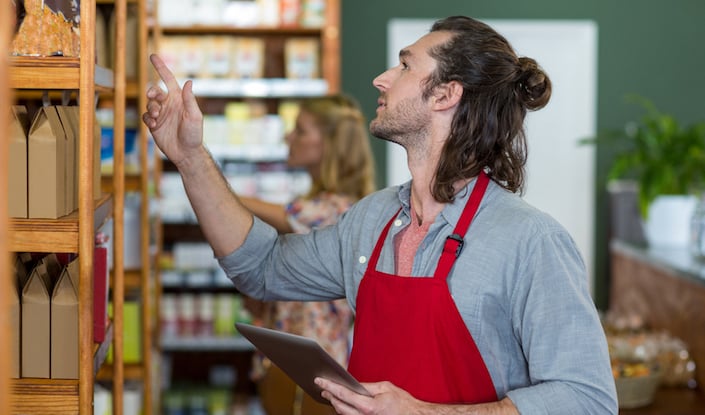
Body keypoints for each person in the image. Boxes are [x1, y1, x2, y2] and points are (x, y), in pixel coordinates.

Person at [144, 15, 618, 415]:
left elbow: (587, 398)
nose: (382, 78)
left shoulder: (531, 240)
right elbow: (261, 267)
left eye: (405, 66)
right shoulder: (370, 220)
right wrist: (190, 158)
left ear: (444, 94)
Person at [239, 95, 376, 415]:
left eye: (300, 130)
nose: (289, 137)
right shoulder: (317, 202)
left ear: (329, 143)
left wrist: (207, 184)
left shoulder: (338, 210)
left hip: (316, 376)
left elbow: (284, 216)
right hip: (294, 364)